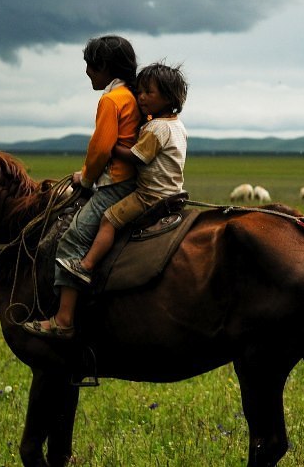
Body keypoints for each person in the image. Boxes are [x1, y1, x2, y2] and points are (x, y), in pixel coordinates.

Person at [22, 35, 141, 340]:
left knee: (72, 240)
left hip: (115, 184)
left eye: (90, 65)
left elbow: (101, 148)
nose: (87, 71)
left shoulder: (111, 100)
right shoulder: (132, 96)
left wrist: (86, 179)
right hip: (132, 181)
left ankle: (63, 320)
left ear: (104, 67)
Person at [58, 62, 188, 284]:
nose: (141, 98)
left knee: (109, 220)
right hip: (172, 190)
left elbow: (137, 157)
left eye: (149, 92)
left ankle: (85, 265)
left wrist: (112, 146)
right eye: (140, 92)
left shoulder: (156, 128)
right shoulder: (177, 125)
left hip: (149, 195)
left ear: (167, 97)